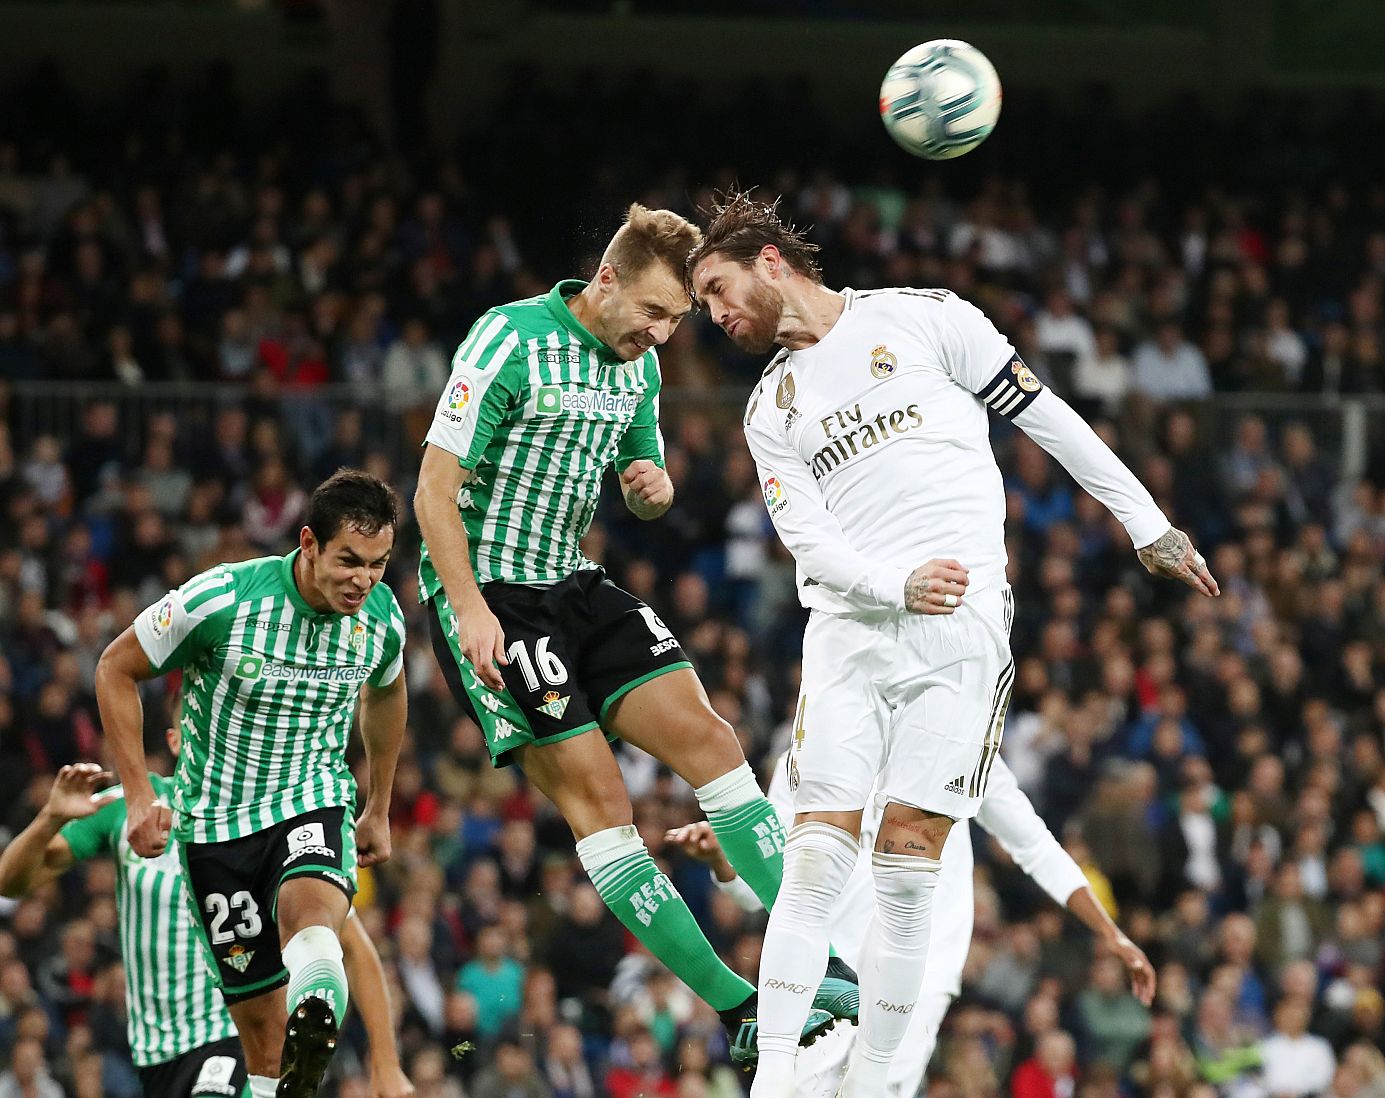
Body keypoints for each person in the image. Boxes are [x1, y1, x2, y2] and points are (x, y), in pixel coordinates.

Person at [688, 190, 1218, 1098]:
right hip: (851, 631)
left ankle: (877, 1084)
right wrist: (892, 583)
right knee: (817, 856)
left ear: (770, 261)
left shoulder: (927, 319)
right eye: (702, 304)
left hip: (961, 629)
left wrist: (1146, 523)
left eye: (717, 288)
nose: (714, 314)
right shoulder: (769, 405)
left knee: (905, 867)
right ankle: (775, 1084)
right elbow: (806, 544)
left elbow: (1047, 416)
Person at [411, 204, 846, 1064]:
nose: (660, 333)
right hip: (496, 596)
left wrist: (653, 489)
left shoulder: (637, 370)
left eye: (677, 319)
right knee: (603, 806)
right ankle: (735, 1006)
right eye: (651, 312)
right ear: (604, 279)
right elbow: (433, 489)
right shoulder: (506, 340)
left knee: (713, 742)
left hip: (573, 583)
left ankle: (819, 964)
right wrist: (468, 609)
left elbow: (647, 481)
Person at [95, 470, 410, 1098]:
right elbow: (115, 667)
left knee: (311, 915)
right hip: (214, 832)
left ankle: (317, 1002)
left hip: (310, 799)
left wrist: (377, 806)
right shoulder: (223, 600)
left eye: (377, 564)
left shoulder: (379, 618)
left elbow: (388, 688)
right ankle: (300, 1034)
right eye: (349, 560)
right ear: (309, 542)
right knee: (264, 1047)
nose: (363, 580)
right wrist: (137, 796)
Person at [666, 752, 1154, 1097]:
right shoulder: (815, 741)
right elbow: (763, 881)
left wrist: (1111, 933)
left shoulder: (963, 740)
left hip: (922, 972)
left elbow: (1034, 845)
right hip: (827, 970)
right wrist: (723, 859)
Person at [0, 754, 414, 1098]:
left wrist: (385, 1062)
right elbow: (12, 881)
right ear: (177, 738)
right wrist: (49, 819)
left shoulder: (262, 821)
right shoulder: (129, 807)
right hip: (156, 1052)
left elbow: (353, 948)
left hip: (237, 1032)